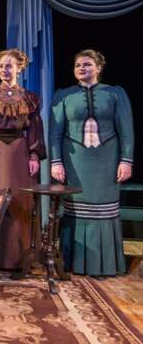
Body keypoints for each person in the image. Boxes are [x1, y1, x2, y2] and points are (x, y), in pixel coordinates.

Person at [50, 49, 133, 277]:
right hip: (75, 161)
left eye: (86, 64)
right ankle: (72, 262)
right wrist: (56, 162)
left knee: (105, 209)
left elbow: (126, 131)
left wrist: (126, 161)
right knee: (76, 208)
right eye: (78, 65)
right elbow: (55, 133)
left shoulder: (115, 94)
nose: (81, 68)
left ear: (98, 67)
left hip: (107, 161)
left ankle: (105, 264)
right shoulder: (63, 95)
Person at [0, 49, 45, 270]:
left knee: (20, 200)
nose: (4, 70)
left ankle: (20, 257)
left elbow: (35, 129)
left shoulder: (29, 98)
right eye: (1, 66)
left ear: (19, 69)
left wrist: (34, 155)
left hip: (20, 153)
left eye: (9, 66)